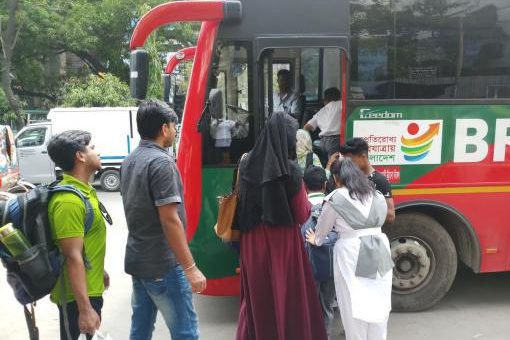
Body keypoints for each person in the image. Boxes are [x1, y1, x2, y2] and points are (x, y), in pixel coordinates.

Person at [235, 111, 327, 340]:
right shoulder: (291, 170)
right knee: (286, 295)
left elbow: (240, 197)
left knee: (258, 296)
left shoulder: (246, 162)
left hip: (252, 242)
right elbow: (302, 213)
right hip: (282, 242)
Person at [120, 100, 206, 340]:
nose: (176, 130)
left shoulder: (130, 160)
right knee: (186, 333)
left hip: (139, 260)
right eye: (174, 125)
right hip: (163, 265)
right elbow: (169, 220)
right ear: (164, 128)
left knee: (140, 330)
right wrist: (190, 268)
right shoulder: (161, 162)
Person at [306, 158, 393, 340]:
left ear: (337, 178)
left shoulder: (334, 198)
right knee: (379, 302)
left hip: (351, 251)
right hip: (379, 246)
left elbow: (322, 232)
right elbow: (383, 218)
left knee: (353, 305)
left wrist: (316, 239)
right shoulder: (376, 195)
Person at [47, 130, 107, 340]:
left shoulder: (83, 191)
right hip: (76, 299)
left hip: (90, 290)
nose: (96, 152)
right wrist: (84, 309)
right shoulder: (68, 201)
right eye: (91, 148)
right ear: (80, 156)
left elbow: (85, 244)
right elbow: (72, 256)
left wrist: (101, 271)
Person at [302, 166, 342, 339]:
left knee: (308, 306)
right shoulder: (334, 204)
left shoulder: (301, 208)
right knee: (327, 307)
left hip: (308, 266)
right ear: (326, 185)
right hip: (332, 264)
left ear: (304, 185)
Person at [339, 137, 395, 224]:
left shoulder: (380, 180)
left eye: (350, 160)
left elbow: (390, 216)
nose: (347, 164)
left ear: (363, 157)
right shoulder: (348, 179)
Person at [304, 87, 342, 157]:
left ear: (326, 99)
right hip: (334, 141)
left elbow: (306, 127)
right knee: (334, 166)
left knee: (327, 164)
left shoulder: (320, 112)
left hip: (323, 143)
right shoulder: (340, 104)